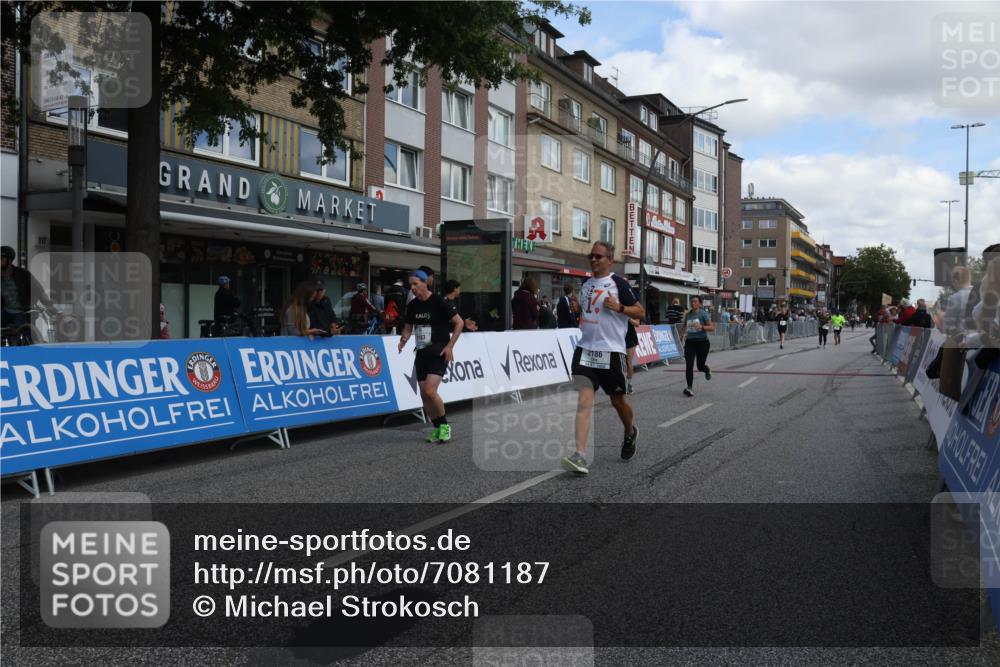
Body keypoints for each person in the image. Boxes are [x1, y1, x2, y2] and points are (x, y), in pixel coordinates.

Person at [561, 241, 643, 475]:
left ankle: (630, 431)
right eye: (592, 256)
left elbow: (640, 311)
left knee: (618, 402)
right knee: (584, 402)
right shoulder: (585, 283)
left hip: (611, 352)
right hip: (585, 350)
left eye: (598, 256)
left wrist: (619, 308)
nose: (594, 259)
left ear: (610, 259)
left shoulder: (619, 284)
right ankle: (580, 455)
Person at [398, 269, 463, 444]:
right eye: (410, 284)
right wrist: (404, 339)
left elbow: (459, 322)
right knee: (424, 395)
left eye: (415, 284)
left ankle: (444, 426)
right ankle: (437, 428)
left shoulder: (439, 302)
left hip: (439, 352)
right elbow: (408, 326)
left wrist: (450, 346)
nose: (412, 288)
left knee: (429, 391)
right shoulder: (412, 305)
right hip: (421, 352)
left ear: (425, 283)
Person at [1, 245, 57, 339]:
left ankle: (28, 348)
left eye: (1, 258)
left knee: (26, 334)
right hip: (4, 311)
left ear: (9, 261)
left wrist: (53, 310)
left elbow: (39, 291)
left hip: (22, 311)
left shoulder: (22, 274)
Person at [680, 295, 714, 397]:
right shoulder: (688, 314)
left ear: (699, 303)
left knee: (700, 366)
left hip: (702, 343)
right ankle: (689, 388)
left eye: (695, 301)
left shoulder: (703, 314)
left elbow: (712, 327)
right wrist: (681, 335)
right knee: (689, 365)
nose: (693, 303)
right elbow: (684, 325)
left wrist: (702, 327)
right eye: (692, 301)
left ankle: (706, 370)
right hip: (690, 343)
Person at [625, 316, 640, 395]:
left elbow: (637, 323)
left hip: (630, 337)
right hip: (618, 337)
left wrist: (628, 318)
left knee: (628, 362)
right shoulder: (616, 306)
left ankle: (628, 383)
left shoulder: (633, 308)